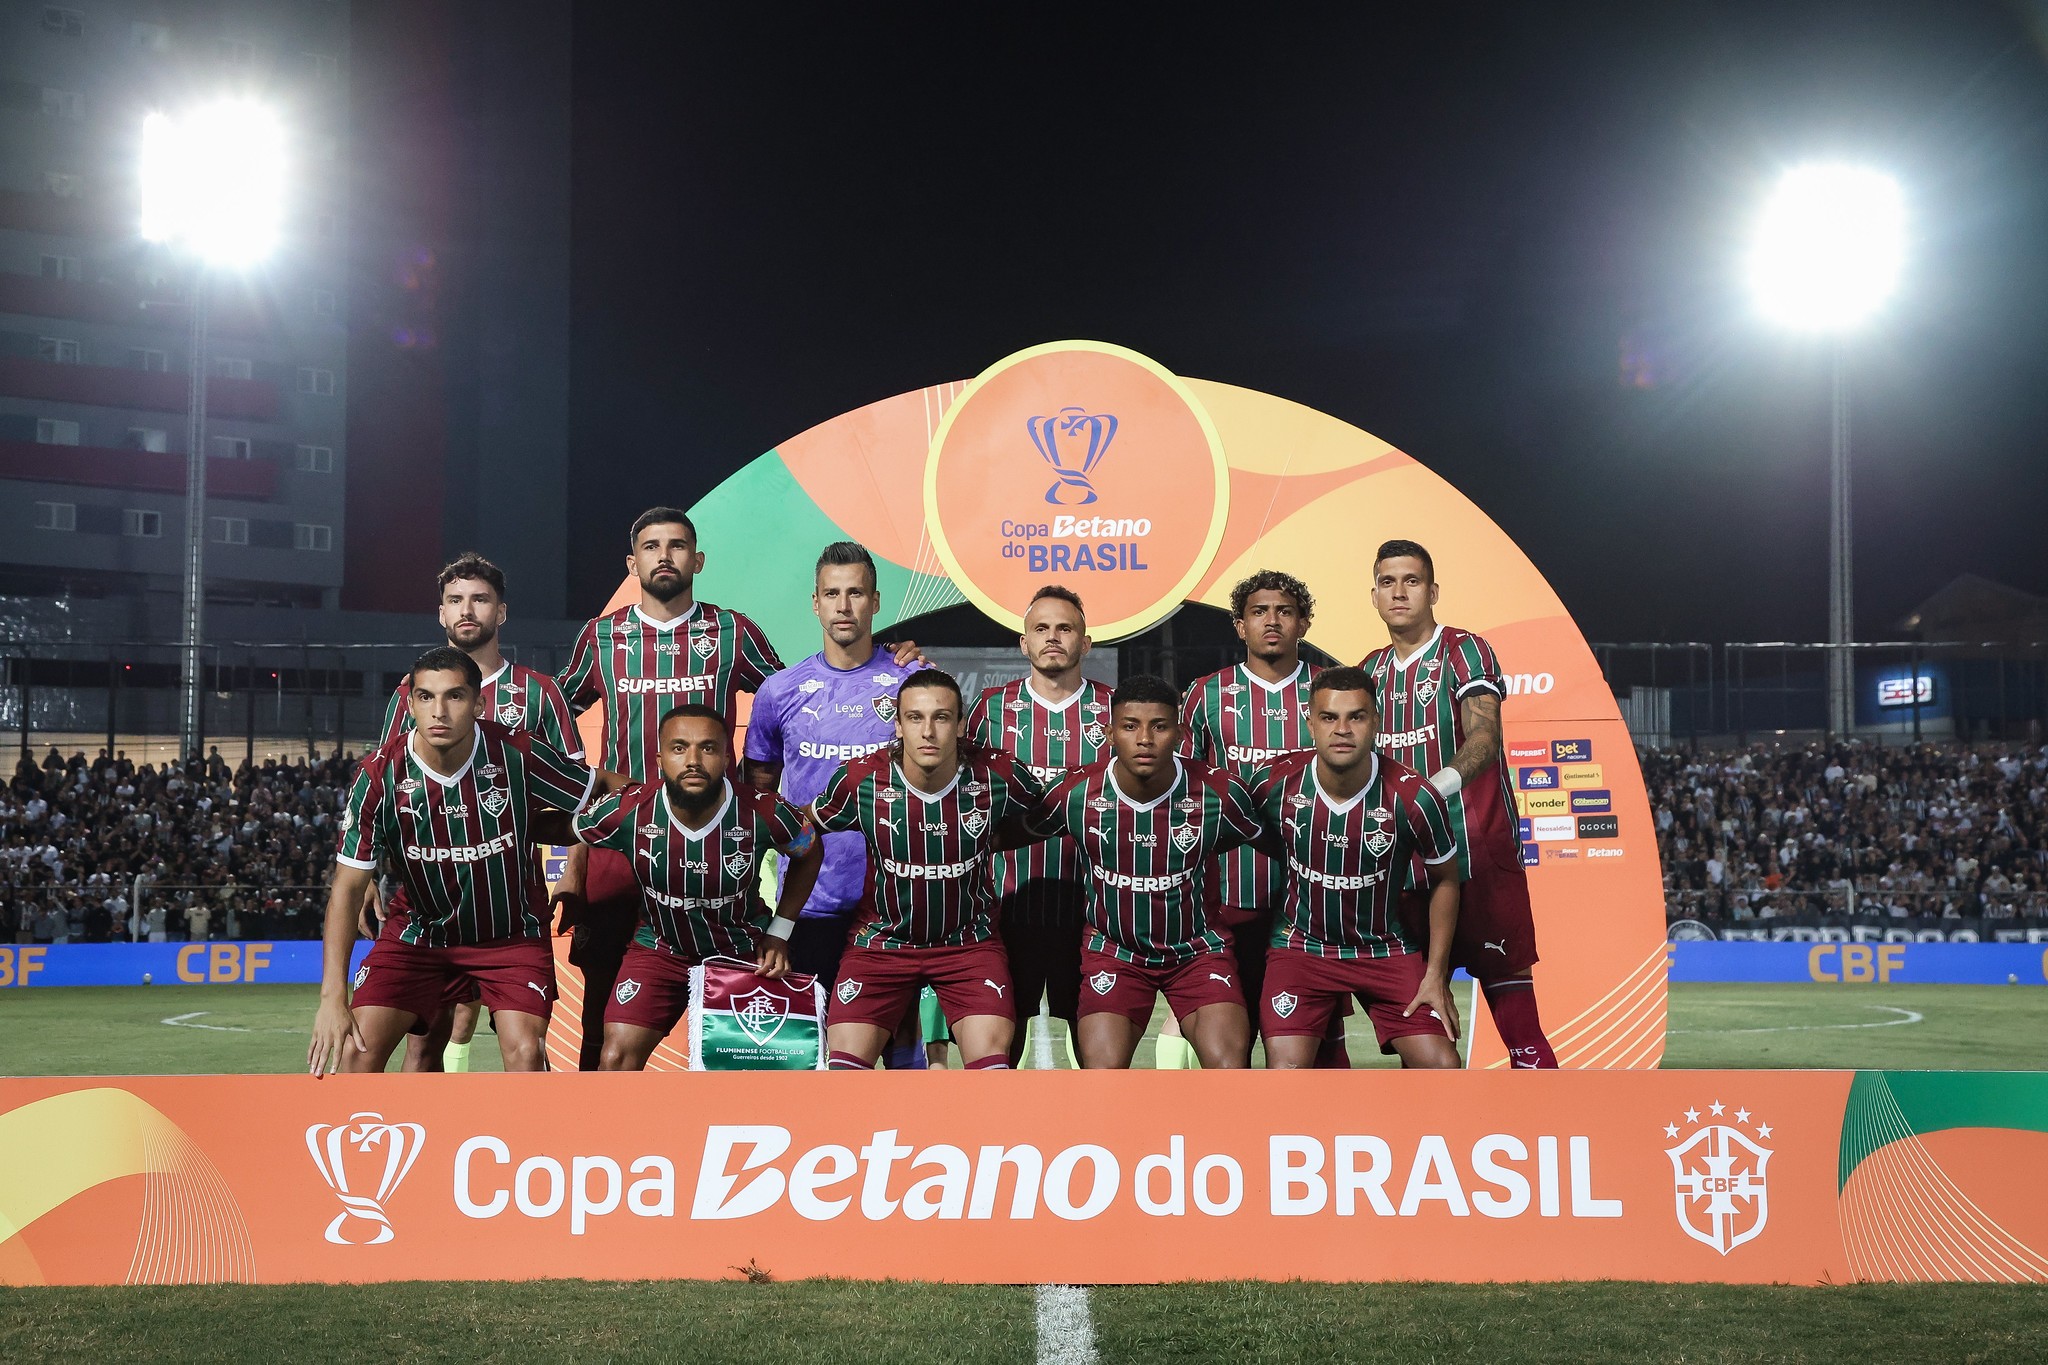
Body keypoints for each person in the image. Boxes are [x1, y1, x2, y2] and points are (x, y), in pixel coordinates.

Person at [551, 507, 783, 1070]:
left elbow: (793, 701)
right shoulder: (602, 636)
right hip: (619, 846)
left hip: (715, 847)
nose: (664, 556)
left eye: (677, 545)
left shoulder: (732, 631)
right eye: (651, 547)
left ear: (697, 560)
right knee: (603, 1006)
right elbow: (550, 719)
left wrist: (886, 667)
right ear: (632, 563)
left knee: (736, 1027)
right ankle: (595, 1122)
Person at [308, 646, 601, 1076]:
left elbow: (600, 789)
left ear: (479, 704)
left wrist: (665, 803)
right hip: (420, 935)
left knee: (525, 1055)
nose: (439, 711)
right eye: (426, 697)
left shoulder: (516, 752)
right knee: (356, 1055)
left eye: (455, 696)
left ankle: (530, 1123)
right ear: (410, 706)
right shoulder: (378, 775)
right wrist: (332, 997)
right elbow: (347, 888)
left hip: (510, 936)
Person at [370, 551, 585, 1073]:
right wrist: (371, 876)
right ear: (441, 613)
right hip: (428, 901)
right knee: (424, 1041)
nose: (467, 610)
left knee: (525, 1048)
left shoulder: (540, 693)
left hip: (509, 899)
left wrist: (574, 871)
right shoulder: (410, 695)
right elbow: (384, 794)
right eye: (455, 600)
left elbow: (581, 795)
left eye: (480, 599)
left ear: (501, 612)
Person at [775, 668, 1041, 1070]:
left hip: (968, 946)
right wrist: (777, 927)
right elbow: (800, 830)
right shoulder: (861, 780)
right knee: (843, 1074)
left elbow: (1051, 815)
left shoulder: (999, 774)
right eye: (915, 718)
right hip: (881, 945)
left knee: (990, 1074)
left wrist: (994, 838)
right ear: (898, 726)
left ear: (961, 725)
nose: (928, 732)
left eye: (941, 717)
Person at [1361, 539, 1558, 1068]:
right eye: (1387, 582)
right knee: (1422, 1029)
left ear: (1433, 592)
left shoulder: (1464, 650)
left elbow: (1484, 737)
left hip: (1477, 856)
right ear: (1373, 596)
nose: (1399, 592)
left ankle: (1552, 1115)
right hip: (1406, 870)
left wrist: (1433, 789)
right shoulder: (1370, 671)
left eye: (1412, 581)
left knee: (1520, 1028)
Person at [744, 541, 930, 1067]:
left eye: (856, 593)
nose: (843, 606)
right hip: (811, 903)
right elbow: (759, 793)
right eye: (832, 594)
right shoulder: (779, 691)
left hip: (892, 903)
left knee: (901, 1040)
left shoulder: (912, 682)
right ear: (815, 603)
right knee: (815, 1051)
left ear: (876, 601)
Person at [1033, 674, 1270, 1069]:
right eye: (1130, 726)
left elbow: (1285, 845)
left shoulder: (1220, 793)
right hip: (1114, 952)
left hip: (1198, 952)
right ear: (1109, 733)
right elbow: (998, 835)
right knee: (1102, 1075)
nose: (1144, 739)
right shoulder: (1073, 794)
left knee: (1229, 1070)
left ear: (1179, 733)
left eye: (1159, 727)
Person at [572, 704, 822, 1071]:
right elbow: (561, 828)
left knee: (744, 1071)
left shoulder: (765, 810)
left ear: (726, 757)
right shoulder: (630, 810)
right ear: (660, 758)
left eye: (707, 748)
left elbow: (810, 852)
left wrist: (780, 931)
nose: (693, 760)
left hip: (742, 953)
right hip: (660, 950)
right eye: (679, 748)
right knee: (615, 1059)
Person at [1178, 569, 1345, 1068]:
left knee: (1317, 1043)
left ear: (1304, 623)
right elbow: (1184, 789)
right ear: (1240, 625)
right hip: (1231, 896)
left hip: (1316, 900)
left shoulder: (1331, 693)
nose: (1272, 621)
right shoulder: (1206, 694)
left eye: (1284, 611)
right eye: (1259, 611)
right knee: (1235, 1041)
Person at [1254, 667, 1463, 1068]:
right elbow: (1242, 836)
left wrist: (1436, 974)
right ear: (1310, 723)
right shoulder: (1273, 783)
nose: (1342, 730)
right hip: (1301, 950)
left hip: (1384, 950)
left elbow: (1446, 880)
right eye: (1329, 717)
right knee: (1285, 1073)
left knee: (1442, 1067)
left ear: (1376, 722)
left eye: (1357, 717)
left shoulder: (1415, 796)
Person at [966, 584, 1111, 1067]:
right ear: (1023, 643)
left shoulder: (1116, 711)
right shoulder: (990, 709)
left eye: (1065, 628)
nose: (1053, 637)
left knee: (1098, 1055)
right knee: (998, 1050)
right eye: (1041, 628)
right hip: (1007, 908)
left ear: (1085, 643)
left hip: (1093, 912)